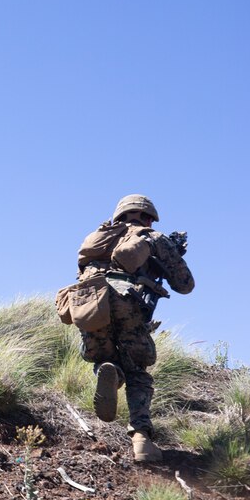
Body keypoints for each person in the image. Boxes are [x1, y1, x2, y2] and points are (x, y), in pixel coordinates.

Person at [73, 194, 194, 463]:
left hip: (88, 302)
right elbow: (185, 284)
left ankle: (112, 375)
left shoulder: (97, 238)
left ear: (119, 215)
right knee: (138, 371)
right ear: (149, 217)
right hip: (128, 301)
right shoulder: (152, 237)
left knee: (104, 357)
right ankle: (141, 439)